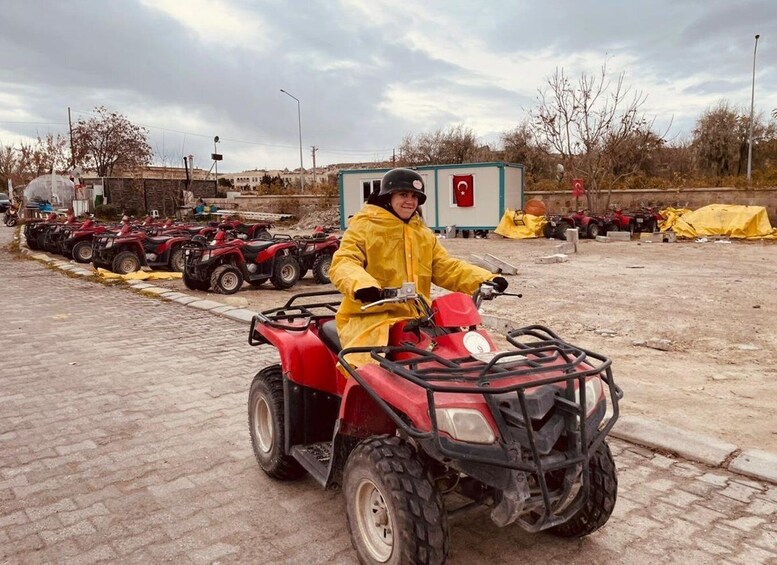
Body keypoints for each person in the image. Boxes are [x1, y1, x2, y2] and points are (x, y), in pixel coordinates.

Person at [329, 167, 507, 368]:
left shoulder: (422, 233)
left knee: (457, 356)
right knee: (366, 368)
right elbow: (344, 261)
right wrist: (363, 286)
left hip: (418, 316)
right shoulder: (364, 226)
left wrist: (484, 279)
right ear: (388, 196)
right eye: (403, 194)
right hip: (372, 317)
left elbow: (445, 266)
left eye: (415, 196)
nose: (410, 201)